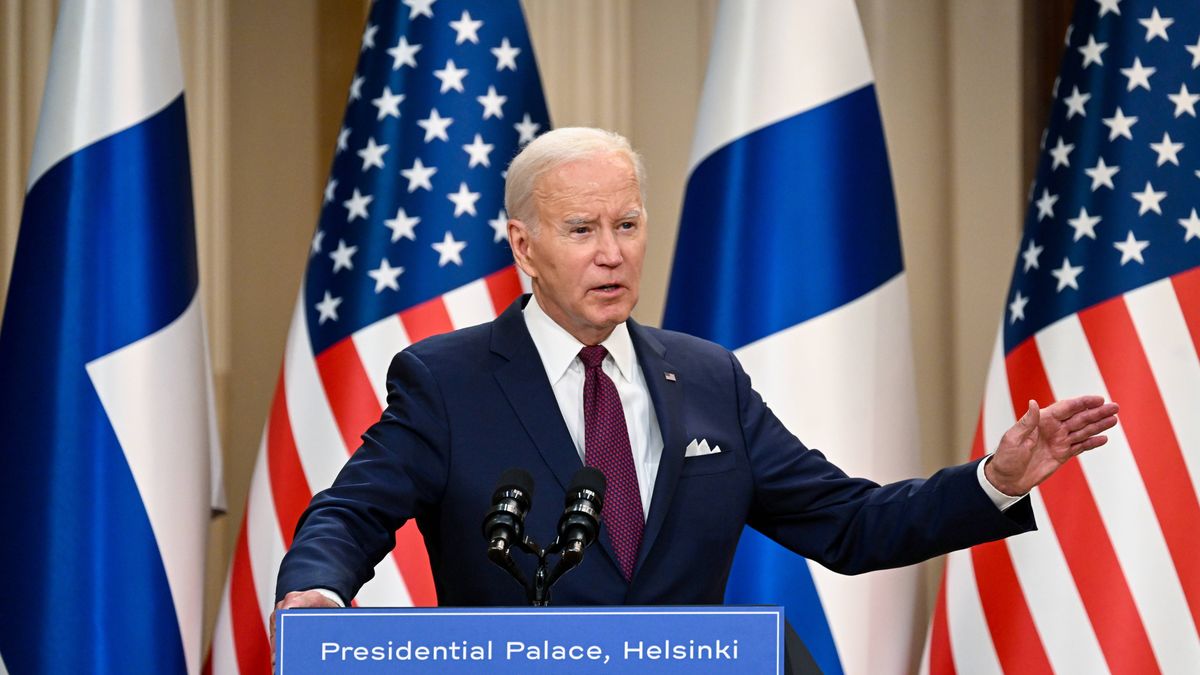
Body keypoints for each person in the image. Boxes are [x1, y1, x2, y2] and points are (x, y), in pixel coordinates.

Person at [274, 127, 1118, 615]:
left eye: (629, 223)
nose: (613, 254)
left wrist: (996, 481)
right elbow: (349, 515)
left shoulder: (707, 376)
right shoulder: (447, 379)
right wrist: (315, 592)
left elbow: (851, 524)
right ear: (524, 245)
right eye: (581, 230)